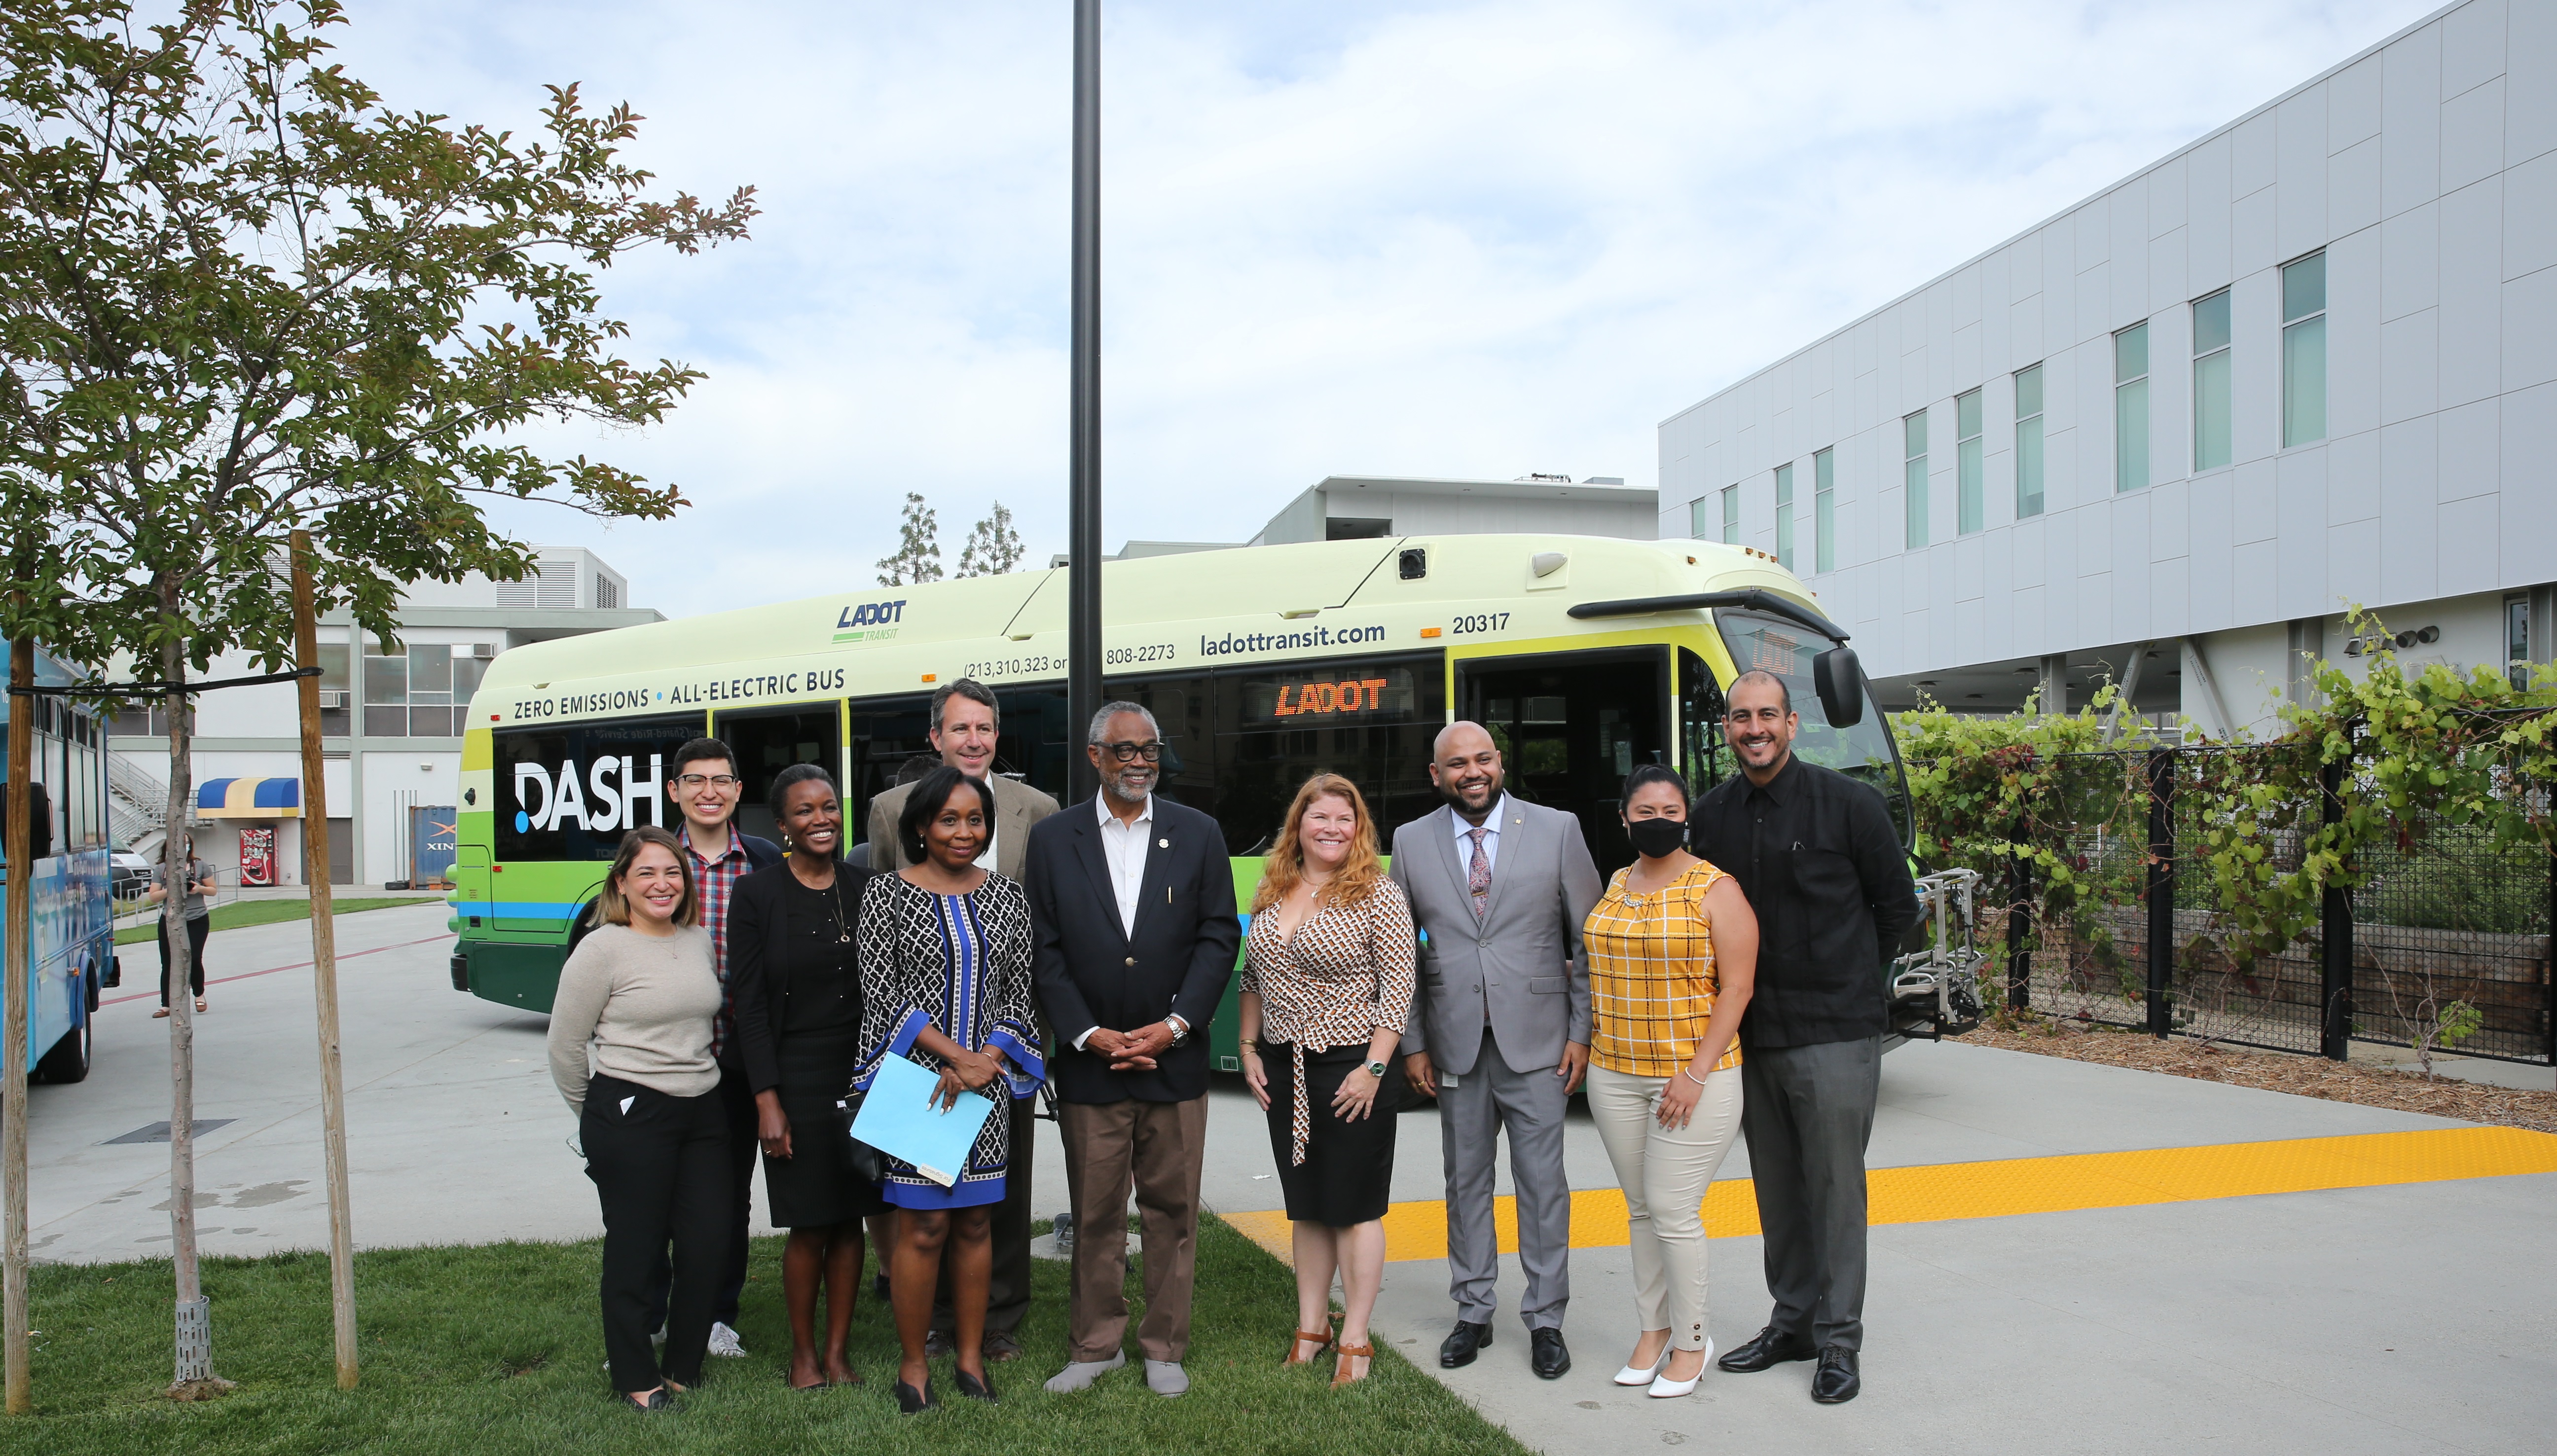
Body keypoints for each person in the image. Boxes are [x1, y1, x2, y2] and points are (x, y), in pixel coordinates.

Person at [1690, 669, 1920, 1406]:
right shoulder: (1711, 817)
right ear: (1726, 728)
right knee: (1778, 1190)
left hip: (1834, 1034)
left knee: (1834, 1189)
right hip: (1752, 1037)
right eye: (1739, 717)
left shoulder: (1852, 807)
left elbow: (1897, 911)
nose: (1753, 729)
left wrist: (1852, 980)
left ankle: (1839, 1339)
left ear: (1792, 724)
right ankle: (1791, 1322)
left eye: (1766, 715)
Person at [1025, 701, 1239, 1400]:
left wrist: (1176, 1026)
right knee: (1094, 1212)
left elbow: (1216, 937)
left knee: (1172, 1212)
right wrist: (1087, 1033)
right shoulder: (1054, 839)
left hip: (1173, 1060)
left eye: (1150, 749)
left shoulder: (1199, 832)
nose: (1140, 761)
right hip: (1093, 1063)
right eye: (1125, 751)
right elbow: (1045, 948)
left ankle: (1163, 1345)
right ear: (1095, 757)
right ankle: (1095, 1346)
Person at [1392, 721, 1602, 1380]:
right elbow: (1402, 956)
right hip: (1454, 1047)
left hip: (1540, 1044)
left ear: (1501, 764)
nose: (1471, 771)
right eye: (1457, 763)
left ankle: (1546, 1320)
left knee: (1543, 1187)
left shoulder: (1557, 829)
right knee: (1466, 1185)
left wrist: (1581, 1033)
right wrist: (1414, 1044)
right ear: (1437, 775)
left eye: (1483, 759)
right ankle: (1473, 1311)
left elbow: (1587, 940)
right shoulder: (1409, 841)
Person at [565, 737, 782, 1360]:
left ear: (739, 791)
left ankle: (717, 1315)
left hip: (734, 1067)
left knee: (722, 1203)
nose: (709, 791)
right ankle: (654, 1314)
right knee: (646, 1207)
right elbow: (572, 1032)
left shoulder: (762, 861)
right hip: (653, 1072)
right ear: (674, 792)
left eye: (722, 780)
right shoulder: (657, 860)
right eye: (695, 780)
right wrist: (598, 1109)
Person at [864, 679, 1059, 1360]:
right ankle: (931, 1327)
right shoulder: (890, 810)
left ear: (996, 736)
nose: (974, 740)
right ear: (936, 738)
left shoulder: (1038, 808)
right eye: (960, 729)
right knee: (924, 1206)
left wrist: (997, 1054)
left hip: (1003, 1049)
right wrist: (946, 1055)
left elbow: (1035, 941)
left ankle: (996, 1322)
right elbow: (886, 942)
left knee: (993, 1202)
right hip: (922, 1060)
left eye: (985, 729)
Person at [1582, 764, 1756, 1400]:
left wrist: (1694, 1072)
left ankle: (1692, 1340)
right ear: (1624, 818)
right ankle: (1652, 1332)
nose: (1658, 822)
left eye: (1670, 812)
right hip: (1614, 1074)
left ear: (1687, 818)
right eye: (1645, 812)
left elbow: (1737, 989)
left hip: (1692, 1080)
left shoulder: (1716, 889)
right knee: (1639, 1210)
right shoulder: (1616, 882)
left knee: (1674, 1211)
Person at [1237, 773, 1415, 1389]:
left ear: (1359, 829)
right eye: (1321, 818)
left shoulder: (1378, 895)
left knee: (1355, 1207)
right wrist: (1247, 1047)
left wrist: (1373, 1069)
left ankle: (1357, 1337)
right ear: (1300, 826)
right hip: (1285, 1066)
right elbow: (1253, 978)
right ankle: (1311, 1328)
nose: (1333, 829)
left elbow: (1399, 990)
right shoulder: (1273, 889)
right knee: (1308, 1207)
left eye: (1346, 819)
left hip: (1352, 1066)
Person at [545, 826, 724, 1413]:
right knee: (637, 1250)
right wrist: (600, 1114)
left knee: (705, 1245)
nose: (661, 883)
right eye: (646, 872)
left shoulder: (697, 939)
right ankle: (635, 1378)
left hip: (703, 1108)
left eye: (672, 872)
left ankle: (682, 1366)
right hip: (632, 1109)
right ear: (621, 882)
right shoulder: (601, 948)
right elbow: (565, 1046)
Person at [730, 764, 884, 1391]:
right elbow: (750, 1004)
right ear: (783, 823)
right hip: (794, 1072)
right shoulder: (757, 894)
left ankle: (840, 1352)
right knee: (809, 1222)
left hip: (864, 1069)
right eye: (804, 811)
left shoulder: (868, 885)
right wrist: (767, 1100)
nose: (821, 819)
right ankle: (803, 1355)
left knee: (851, 1218)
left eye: (828, 807)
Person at [147, 836, 217, 1019]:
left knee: (193, 957)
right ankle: (166, 1005)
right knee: (168, 961)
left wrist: (199, 888)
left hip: (197, 918)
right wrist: (172, 888)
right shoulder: (161, 869)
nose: (182, 846)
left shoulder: (200, 866)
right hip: (170, 919)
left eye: (185, 842)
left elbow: (213, 890)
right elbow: (153, 896)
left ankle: (199, 994)